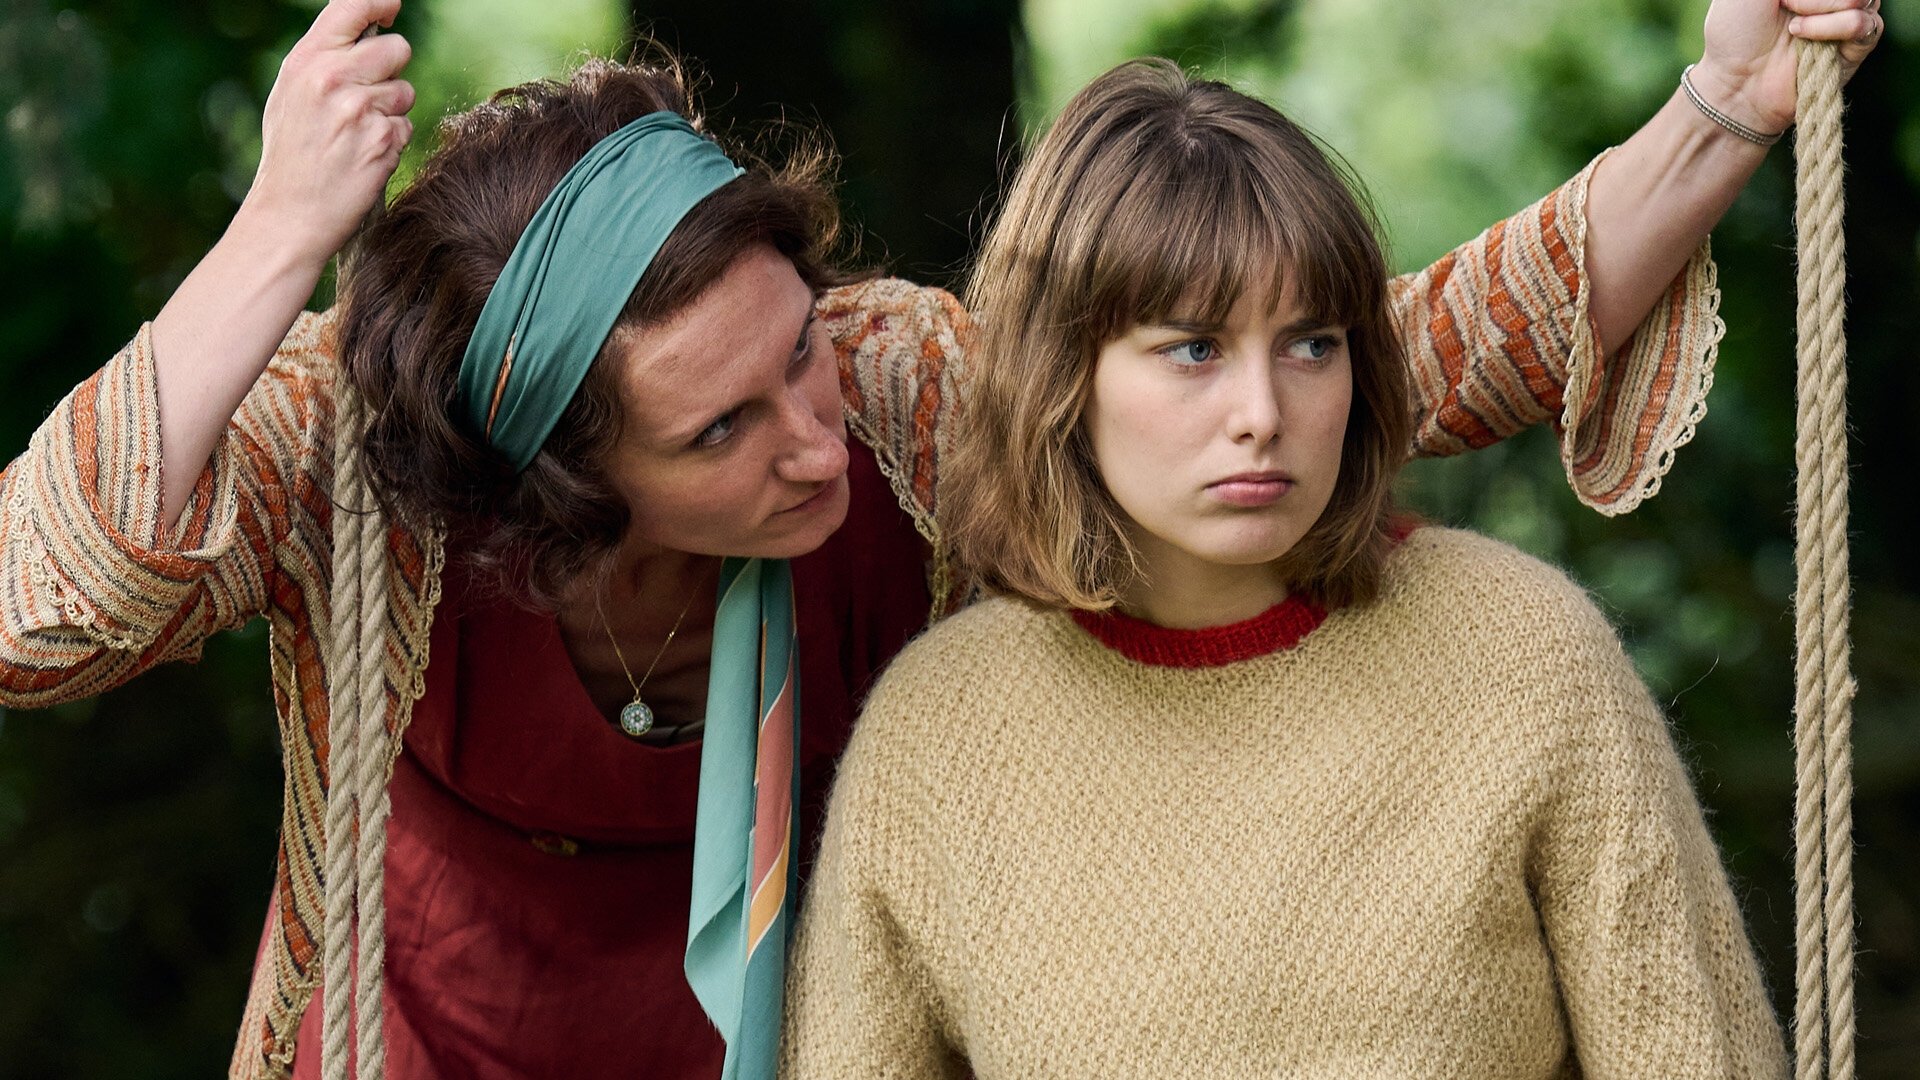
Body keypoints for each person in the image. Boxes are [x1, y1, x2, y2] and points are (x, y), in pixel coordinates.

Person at [0, 0, 1879, 1076]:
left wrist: (1722, 108)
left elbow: (1353, 361)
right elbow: (32, 612)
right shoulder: (362, 469)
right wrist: (275, 236)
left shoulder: (897, 395)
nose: (811, 438)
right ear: (557, 485)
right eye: (721, 432)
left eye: (797, 350)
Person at [779, 54, 1813, 1078]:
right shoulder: (935, 731)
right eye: (1194, 349)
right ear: (1062, 376)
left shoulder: (1523, 654)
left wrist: (1726, 99)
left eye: (1311, 344)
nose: (1263, 415)